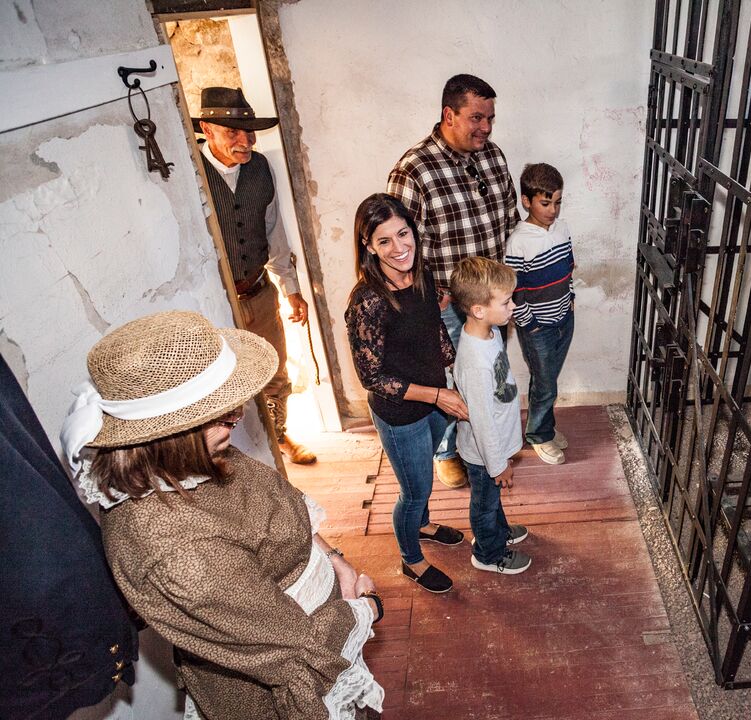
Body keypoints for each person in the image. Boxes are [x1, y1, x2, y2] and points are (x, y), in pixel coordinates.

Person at [58, 310, 383, 719]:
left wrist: (333, 559)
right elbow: (299, 649)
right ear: (163, 435)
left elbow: (275, 501)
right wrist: (368, 607)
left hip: (326, 618)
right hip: (282, 681)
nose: (237, 417)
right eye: (218, 413)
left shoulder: (192, 456)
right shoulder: (177, 551)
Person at [387, 74, 519, 488]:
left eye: (490, 118)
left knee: (488, 378)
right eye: (476, 117)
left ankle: (490, 440)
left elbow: (509, 219)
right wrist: (430, 298)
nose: (486, 127)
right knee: (449, 381)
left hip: (491, 300)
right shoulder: (413, 171)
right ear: (449, 114)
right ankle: (450, 450)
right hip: (447, 307)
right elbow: (400, 248)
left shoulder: (493, 156)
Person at [345, 193, 470, 593]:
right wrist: (437, 396)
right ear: (368, 246)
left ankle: (424, 525)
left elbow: (432, 327)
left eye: (404, 234)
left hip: (435, 396)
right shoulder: (366, 303)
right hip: (401, 414)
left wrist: (454, 363)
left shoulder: (423, 274)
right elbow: (372, 377)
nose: (399, 248)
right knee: (414, 489)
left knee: (424, 483)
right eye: (384, 241)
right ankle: (411, 560)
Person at [194, 86, 316, 465]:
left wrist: (290, 288)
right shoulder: (190, 174)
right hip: (216, 300)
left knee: (274, 371)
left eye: (250, 132)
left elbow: (273, 229)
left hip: (259, 293)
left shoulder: (261, 168)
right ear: (206, 129)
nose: (245, 141)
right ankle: (238, 455)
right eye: (233, 132)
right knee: (225, 381)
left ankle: (278, 437)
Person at [449, 257, 532, 575]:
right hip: (484, 453)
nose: (512, 306)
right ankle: (488, 552)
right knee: (484, 504)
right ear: (479, 310)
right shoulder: (475, 362)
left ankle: (497, 532)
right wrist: (499, 465)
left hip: (494, 443)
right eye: (506, 301)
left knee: (491, 499)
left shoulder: (491, 333)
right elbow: (482, 423)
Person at [505, 163, 575, 465]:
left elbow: (568, 268)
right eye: (545, 203)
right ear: (526, 201)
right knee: (545, 382)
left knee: (549, 378)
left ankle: (543, 426)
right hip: (538, 327)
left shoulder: (562, 229)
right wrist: (529, 324)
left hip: (564, 318)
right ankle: (538, 436)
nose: (553, 210)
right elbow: (514, 290)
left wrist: (570, 300)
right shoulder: (518, 241)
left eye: (557, 202)